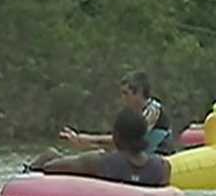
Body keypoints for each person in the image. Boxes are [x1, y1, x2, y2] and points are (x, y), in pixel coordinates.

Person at [29, 108, 172, 187]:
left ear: (116, 136)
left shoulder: (100, 161)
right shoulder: (163, 167)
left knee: (50, 154)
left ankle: (24, 173)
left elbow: (50, 167)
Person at [61, 71, 175, 155]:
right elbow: (121, 143)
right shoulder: (131, 114)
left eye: (126, 93)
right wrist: (84, 142)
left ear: (139, 92)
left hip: (160, 158)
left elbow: (127, 139)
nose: (123, 98)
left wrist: (88, 139)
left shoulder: (153, 110)